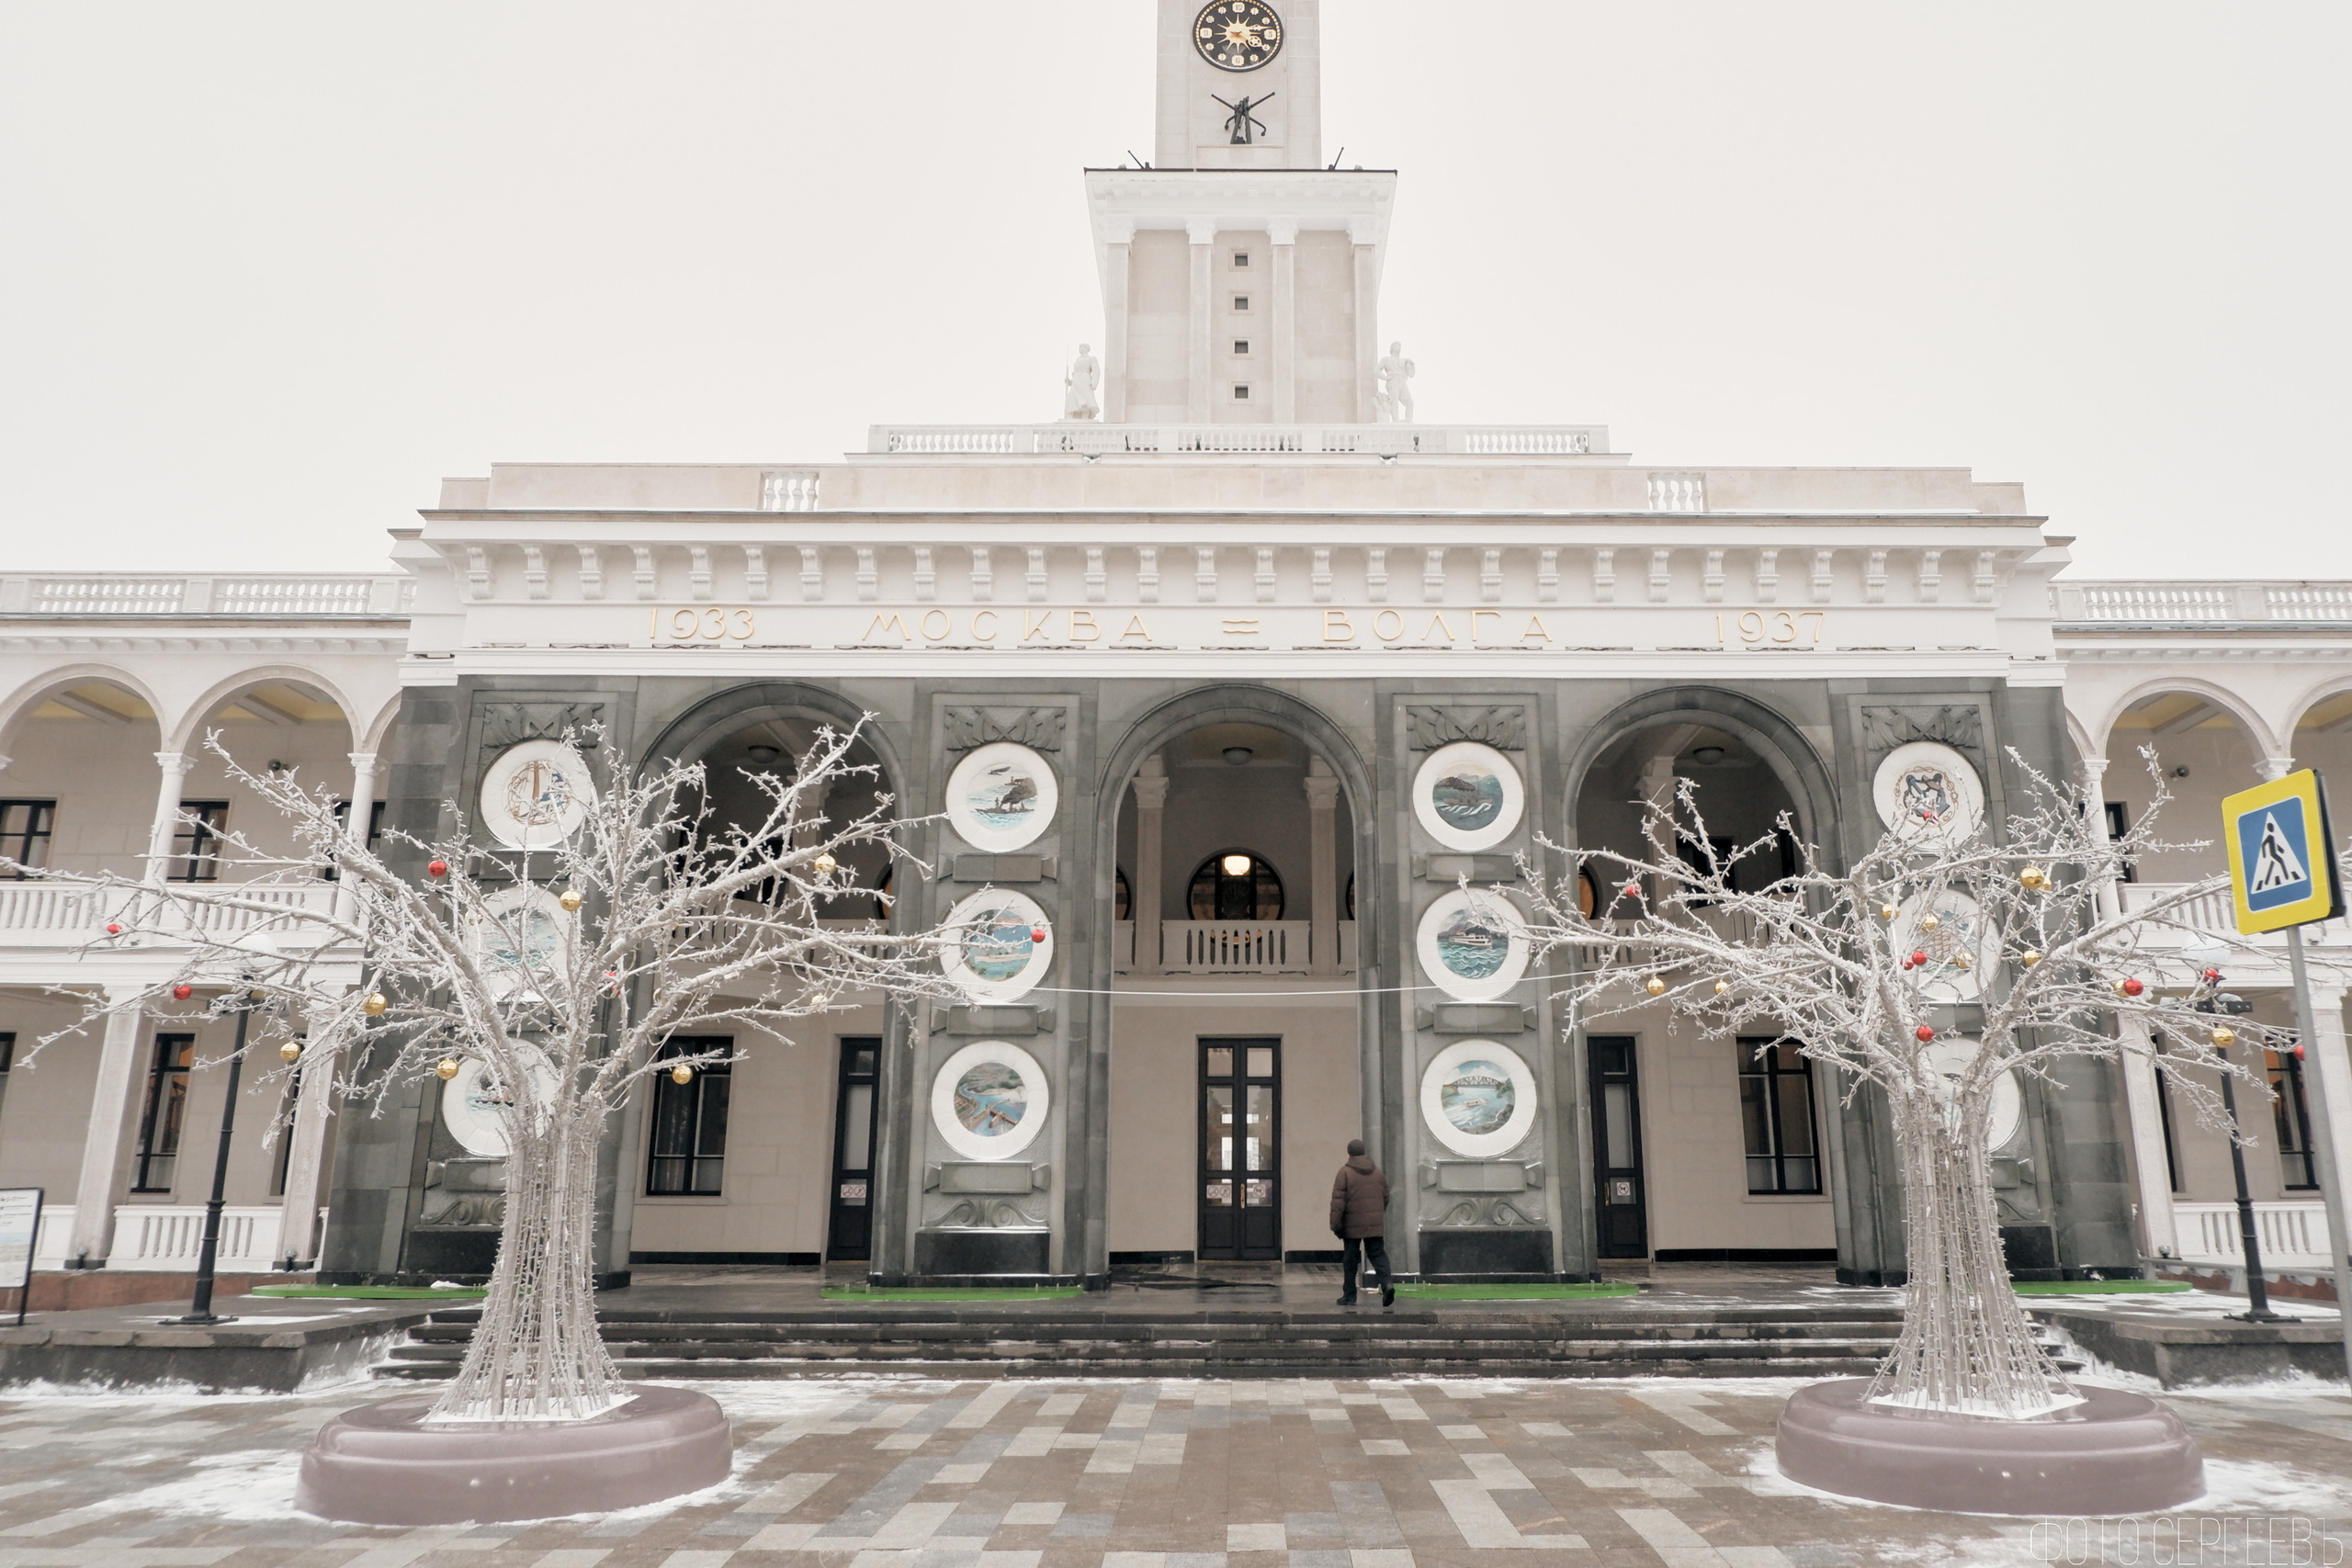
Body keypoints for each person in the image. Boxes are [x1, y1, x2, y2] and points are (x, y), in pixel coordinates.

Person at [1329, 1137, 1393, 1308]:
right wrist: (1377, 1215)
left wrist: (1335, 1225)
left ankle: (1350, 1295)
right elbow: (1386, 1197)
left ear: (1349, 1153)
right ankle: (1387, 1284)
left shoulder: (1344, 1173)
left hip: (1352, 1224)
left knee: (1350, 1259)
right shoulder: (1378, 1172)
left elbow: (1338, 1203)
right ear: (1364, 1152)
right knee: (1378, 1254)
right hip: (1374, 1223)